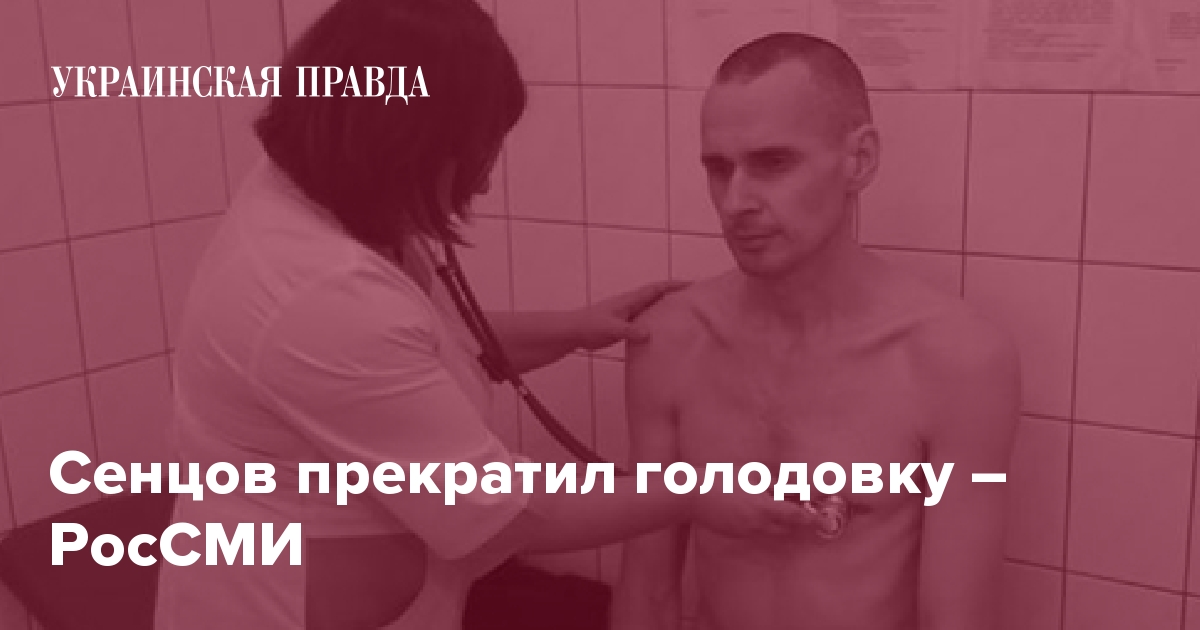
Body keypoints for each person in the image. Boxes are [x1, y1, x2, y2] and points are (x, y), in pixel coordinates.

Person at [152, 2, 810, 629]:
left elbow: (417, 346)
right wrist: (697, 494)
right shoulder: (314, 288)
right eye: (471, 155)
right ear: (400, 144)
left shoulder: (321, 191)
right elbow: (501, 513)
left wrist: (574, 327)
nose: (484, 182)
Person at [612, 33, 1020, 630]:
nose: (736, 201)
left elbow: (956, 619)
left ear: (860, 160)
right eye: (718, 169)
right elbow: (647, 592)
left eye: (773, 163)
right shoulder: (671, 341)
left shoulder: (957, 361)